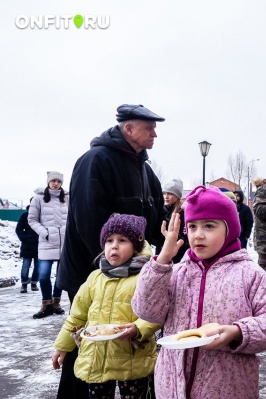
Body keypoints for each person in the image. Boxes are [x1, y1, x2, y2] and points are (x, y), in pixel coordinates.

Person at [131, 185, 266, 399]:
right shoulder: (175, 273)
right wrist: (161, 261)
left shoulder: (249, 274)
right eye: (193, 226)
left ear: (230, 228)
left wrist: (238, 332)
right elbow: (147, 311)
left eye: (209, 226)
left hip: (228, 386)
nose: (198, 235)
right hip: (172, 386)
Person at [55, 104, 166, 398]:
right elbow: (88, 220)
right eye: (149, 127)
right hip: (92, 273)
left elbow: (156, 221)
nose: (155, 133)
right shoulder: (95, 160)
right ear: (128, 129)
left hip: (131, 274)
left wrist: (170, 254)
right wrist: (112, 267)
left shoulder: (144, 169)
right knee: (89, 345)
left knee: (128, 344)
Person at [52, 213, 162, 399]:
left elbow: (156, 313)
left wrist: (138, 328)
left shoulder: (145, 277)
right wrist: (63, 346)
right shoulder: (95, 278)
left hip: (132, 356)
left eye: (122, 240)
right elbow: (77, 316)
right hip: (97, 357)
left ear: (136, 246)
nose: (114, 246)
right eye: (109, 240)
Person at [28, 171, 68, 318]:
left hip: (64, 243)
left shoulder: (67, 198)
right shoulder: (39, 198)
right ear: (48, 182)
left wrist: (68, 234)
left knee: (61, 276)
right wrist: (44, 232)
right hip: (46, 242)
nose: (56, 183)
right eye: (53, 181)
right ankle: (46, 304)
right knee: (43, 275)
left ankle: (56, 303)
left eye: (59, 181)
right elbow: (32, 219)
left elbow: (73, 217)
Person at [160, 178, 189, 263]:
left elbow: (185, 238)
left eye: (170, 193)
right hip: (162, 253)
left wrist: (173, 237)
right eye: (164, 193)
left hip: (177, 257)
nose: (166, 196)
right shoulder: (162, 211)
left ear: (177, 195)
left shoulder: (182, 213)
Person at [16, 199, 39, 293]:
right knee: (26, 265)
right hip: (27, 246)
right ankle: (24, 284)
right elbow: (19, 229)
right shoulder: (25, 215)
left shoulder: (42, 215)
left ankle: (34, 283)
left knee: (38, 267)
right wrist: (24, 238)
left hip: (40, 246)